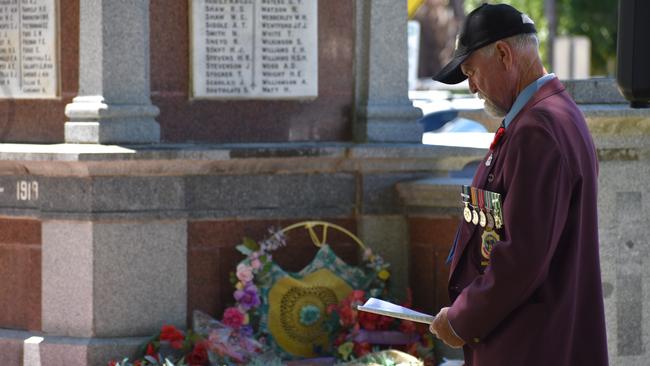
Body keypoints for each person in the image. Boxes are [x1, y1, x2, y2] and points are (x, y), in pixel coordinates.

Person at [428, 3, 609, 366]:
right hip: (536, 338)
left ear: (503, 54)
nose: (472, 87)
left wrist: (463, 320)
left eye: (471, 72)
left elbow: (521, 258)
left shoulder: (538, 129)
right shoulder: (546, 115)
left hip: (530, 344)